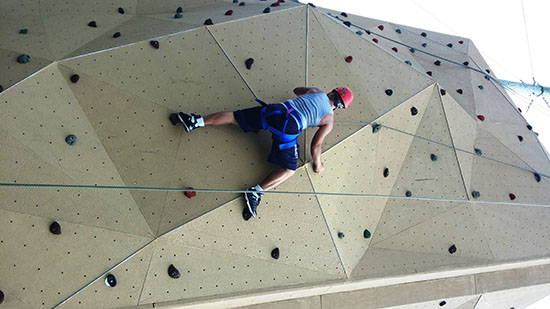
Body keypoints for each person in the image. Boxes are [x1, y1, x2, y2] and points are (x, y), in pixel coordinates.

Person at [169, 86, 353, 220]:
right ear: (341, 107)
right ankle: (255, 192)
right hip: (289, 128)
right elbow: (315, 147)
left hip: (276, 110)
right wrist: (319, 165)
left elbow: (297, 90)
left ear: (332, 92)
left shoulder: (315, 91)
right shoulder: (329, 119)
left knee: (235, 117)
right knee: (289, 169)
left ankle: (194, 121)